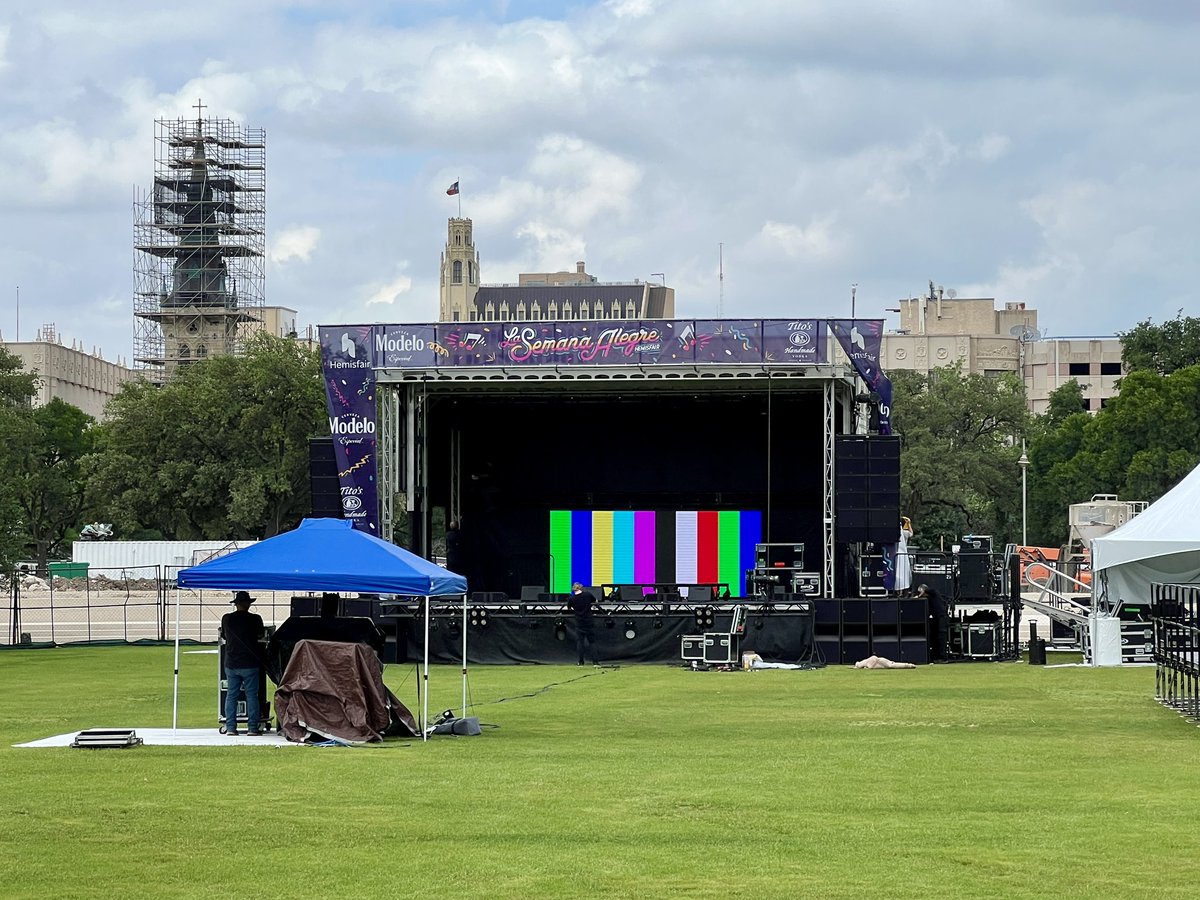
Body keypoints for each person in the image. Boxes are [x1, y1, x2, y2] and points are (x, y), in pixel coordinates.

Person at [221, 590, 266, 735]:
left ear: (236, 604)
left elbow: (224, 635)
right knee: (252, 696)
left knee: (231, 695)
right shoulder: (255, 619)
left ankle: (231, 727)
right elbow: (260, 634)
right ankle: (252, 728)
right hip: (250, 662)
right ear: (248, 604)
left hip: (232, 662)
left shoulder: (227, 618)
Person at [916, 582, 950, 662]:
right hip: (936, 618)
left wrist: (919, 596)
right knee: (935, 637)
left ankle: (943, 657)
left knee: (942, 637)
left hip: (942, 617)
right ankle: (936, 656)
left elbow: (928, 590)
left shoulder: (934, 593)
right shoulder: (929, 600)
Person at [568, 582, 599, 666]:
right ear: (581, 588)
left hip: (579, 622)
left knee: (580, 642)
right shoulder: (587, 595)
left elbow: (569, 607)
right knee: (592, 642)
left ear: (573, 589)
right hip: (589, 621)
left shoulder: (571, 598)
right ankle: (595, 662)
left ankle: (581, 662)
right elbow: (595, 600)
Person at [895, 516, 914, 594]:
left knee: (897, 573)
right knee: (904, 573)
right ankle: (904, 591)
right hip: (903, 554)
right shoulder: (904, 532)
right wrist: (909, 523)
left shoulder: (896, 532)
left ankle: (897, 591)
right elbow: (911, 533)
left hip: (895, 554)